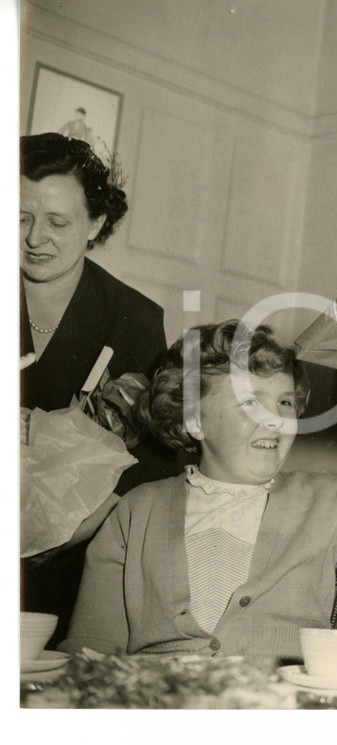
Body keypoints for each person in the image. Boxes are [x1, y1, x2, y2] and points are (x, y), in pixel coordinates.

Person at [60, 320, 337, 658]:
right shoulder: (136, 513)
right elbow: (90, 652)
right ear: (194, 421)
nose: (276, 419)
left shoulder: (328, 503)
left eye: (286, 403)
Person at [20, 132, 172, 646]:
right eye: (19, 217)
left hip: (77, 555)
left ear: (96, 224)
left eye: (57, 222)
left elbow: (152, 462)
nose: (34, 238)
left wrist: (78, 528)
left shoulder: (133, 319)